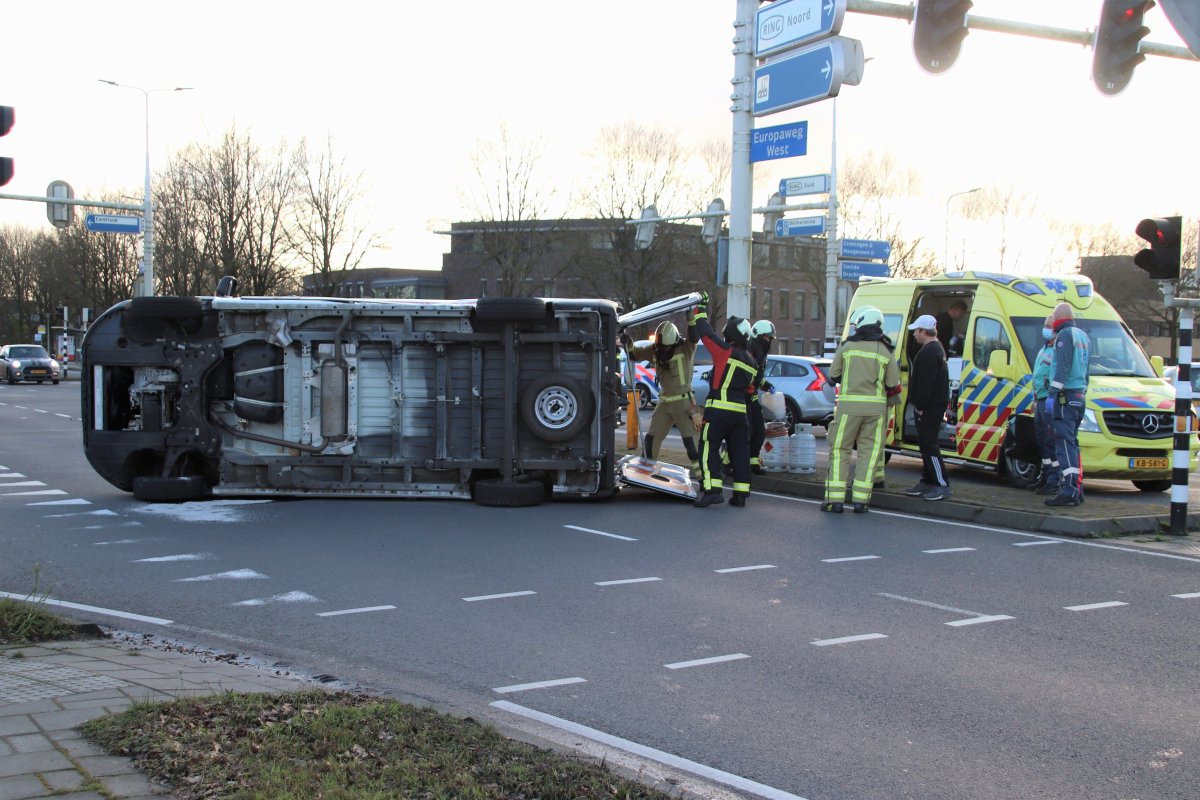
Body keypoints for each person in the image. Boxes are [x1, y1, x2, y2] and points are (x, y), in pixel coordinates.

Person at [824, 306, 902, 514]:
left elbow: (834, 374)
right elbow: (893, 383)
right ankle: (861, 501)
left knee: (840, 450)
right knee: (869, 453)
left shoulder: (848, 347)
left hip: (848, 408)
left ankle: (835, 501)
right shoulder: (886, 350)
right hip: (875, 412)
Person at [692, 293, 757, 508]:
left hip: (718, 411)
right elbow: (749, 388)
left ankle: (713, 490)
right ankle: (740, 494)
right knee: (739, 452)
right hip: (740, 414)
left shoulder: (725, 352)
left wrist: (699, 309)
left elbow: (706, 334)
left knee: (708, 448)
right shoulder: (752, 363)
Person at [626, 319, 700, 474]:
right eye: (661, 347)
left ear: (674, 341)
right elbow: (634, 354)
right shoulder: (655, 349)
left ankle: (705, 480)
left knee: (692, 444)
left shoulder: (686, 348)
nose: (663, 350)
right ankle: (646, 473)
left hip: (683, 402)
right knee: (651, 439)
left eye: (666, 347)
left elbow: (694, 336)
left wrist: (692, 316)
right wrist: (629, 343)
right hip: (664, 402)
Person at [1045, 302, 1090, 507]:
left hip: (1065, 397)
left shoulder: (1064, 336)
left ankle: (1069, 489)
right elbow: (1087, 369)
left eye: (1053, 318)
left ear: (1058, 318)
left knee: (1063, 442)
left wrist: (1053, 393)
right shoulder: (1084, 336)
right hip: (1079, 396)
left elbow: (1062, 366)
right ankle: (1077, 488)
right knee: (1072, 443)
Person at [903, 314, 951, 501]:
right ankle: (928, 480)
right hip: (932, 405)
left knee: (929, 445)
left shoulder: (930, 352)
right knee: (925, 445)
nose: (914, 334)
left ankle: (941, 483)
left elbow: (926, 383)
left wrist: (920, 405)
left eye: (916, 331)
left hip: (929, 407)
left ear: (924, 331)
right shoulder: (936, 349)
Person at [1029, 313, 1061, 496]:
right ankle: (1046, 475)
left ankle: (1054, 480)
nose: (1046, 329)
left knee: (1051, 442)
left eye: (1049, 325)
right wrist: (1034, 399)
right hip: (1040, 400)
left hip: (1049, 401)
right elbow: (1038, 377)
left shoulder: (1057, 350)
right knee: (1042, 441)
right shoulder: (1044, 349)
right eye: (1045, 325)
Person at [746, 319, 776, 475]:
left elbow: (757, 377)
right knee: (745, 432)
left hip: (753, 397)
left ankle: (753, 462)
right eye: (767, 337)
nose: (769, 341)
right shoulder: (749, 352)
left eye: (770, 338)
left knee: (758, 432)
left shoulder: (761, 354)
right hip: (743, 398)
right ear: (758, 336)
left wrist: (765, 385)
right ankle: (727, 461)